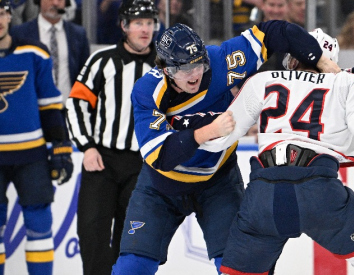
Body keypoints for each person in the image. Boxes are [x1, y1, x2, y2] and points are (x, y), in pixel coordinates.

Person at [111, 21, 340, 274]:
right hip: (161, 187)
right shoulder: (146, 90)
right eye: (185, 69)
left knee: (241, 267)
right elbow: (161, 156)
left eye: (198, 63)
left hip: (218, 182)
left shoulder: (221, 60)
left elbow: (275, 31)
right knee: (131, 267)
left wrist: (322, 62)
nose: (195, 73)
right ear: (165, 68)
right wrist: (208, 131)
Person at [198, 28, 354, 275]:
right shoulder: (345, 81)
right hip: (318, 190)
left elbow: (220, 134)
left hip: (263, 193)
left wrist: (178, 140)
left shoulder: (264, 79)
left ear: (293, 56)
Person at [65, 0, 158, 274]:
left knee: (131, 240)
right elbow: (76, 103)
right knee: (92, 233)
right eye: (139, 23)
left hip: (143, 166)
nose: (145, 29)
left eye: (150, 23)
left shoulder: (165, 66)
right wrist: (87, 146)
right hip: (101, 161)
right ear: (124, 26)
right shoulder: (101, 60)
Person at [0, 0, 73, 274]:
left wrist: (61, 147)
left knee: (39, 223)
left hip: (32, 155)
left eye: (2, 13)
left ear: (9, 16)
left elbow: (50, 104)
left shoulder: (34, 52)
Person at [10, 0, 90, 104]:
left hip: (68, 108)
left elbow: (85, 75)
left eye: (60, 0)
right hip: (35, 108)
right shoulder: (20, 33)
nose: (55, 3)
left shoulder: (78, 34)